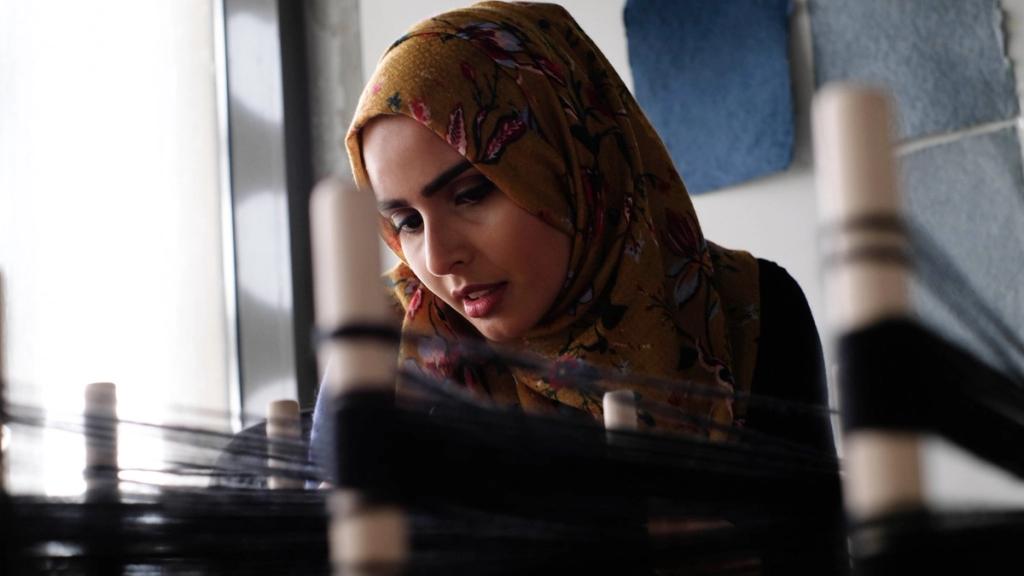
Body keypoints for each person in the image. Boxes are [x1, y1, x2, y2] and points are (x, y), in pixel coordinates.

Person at [311, 1, 832, 474]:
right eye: (407, 222)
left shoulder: (753, 309)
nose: (440, 258)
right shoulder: (382, 351)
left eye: (471, 194)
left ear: (573, 160)